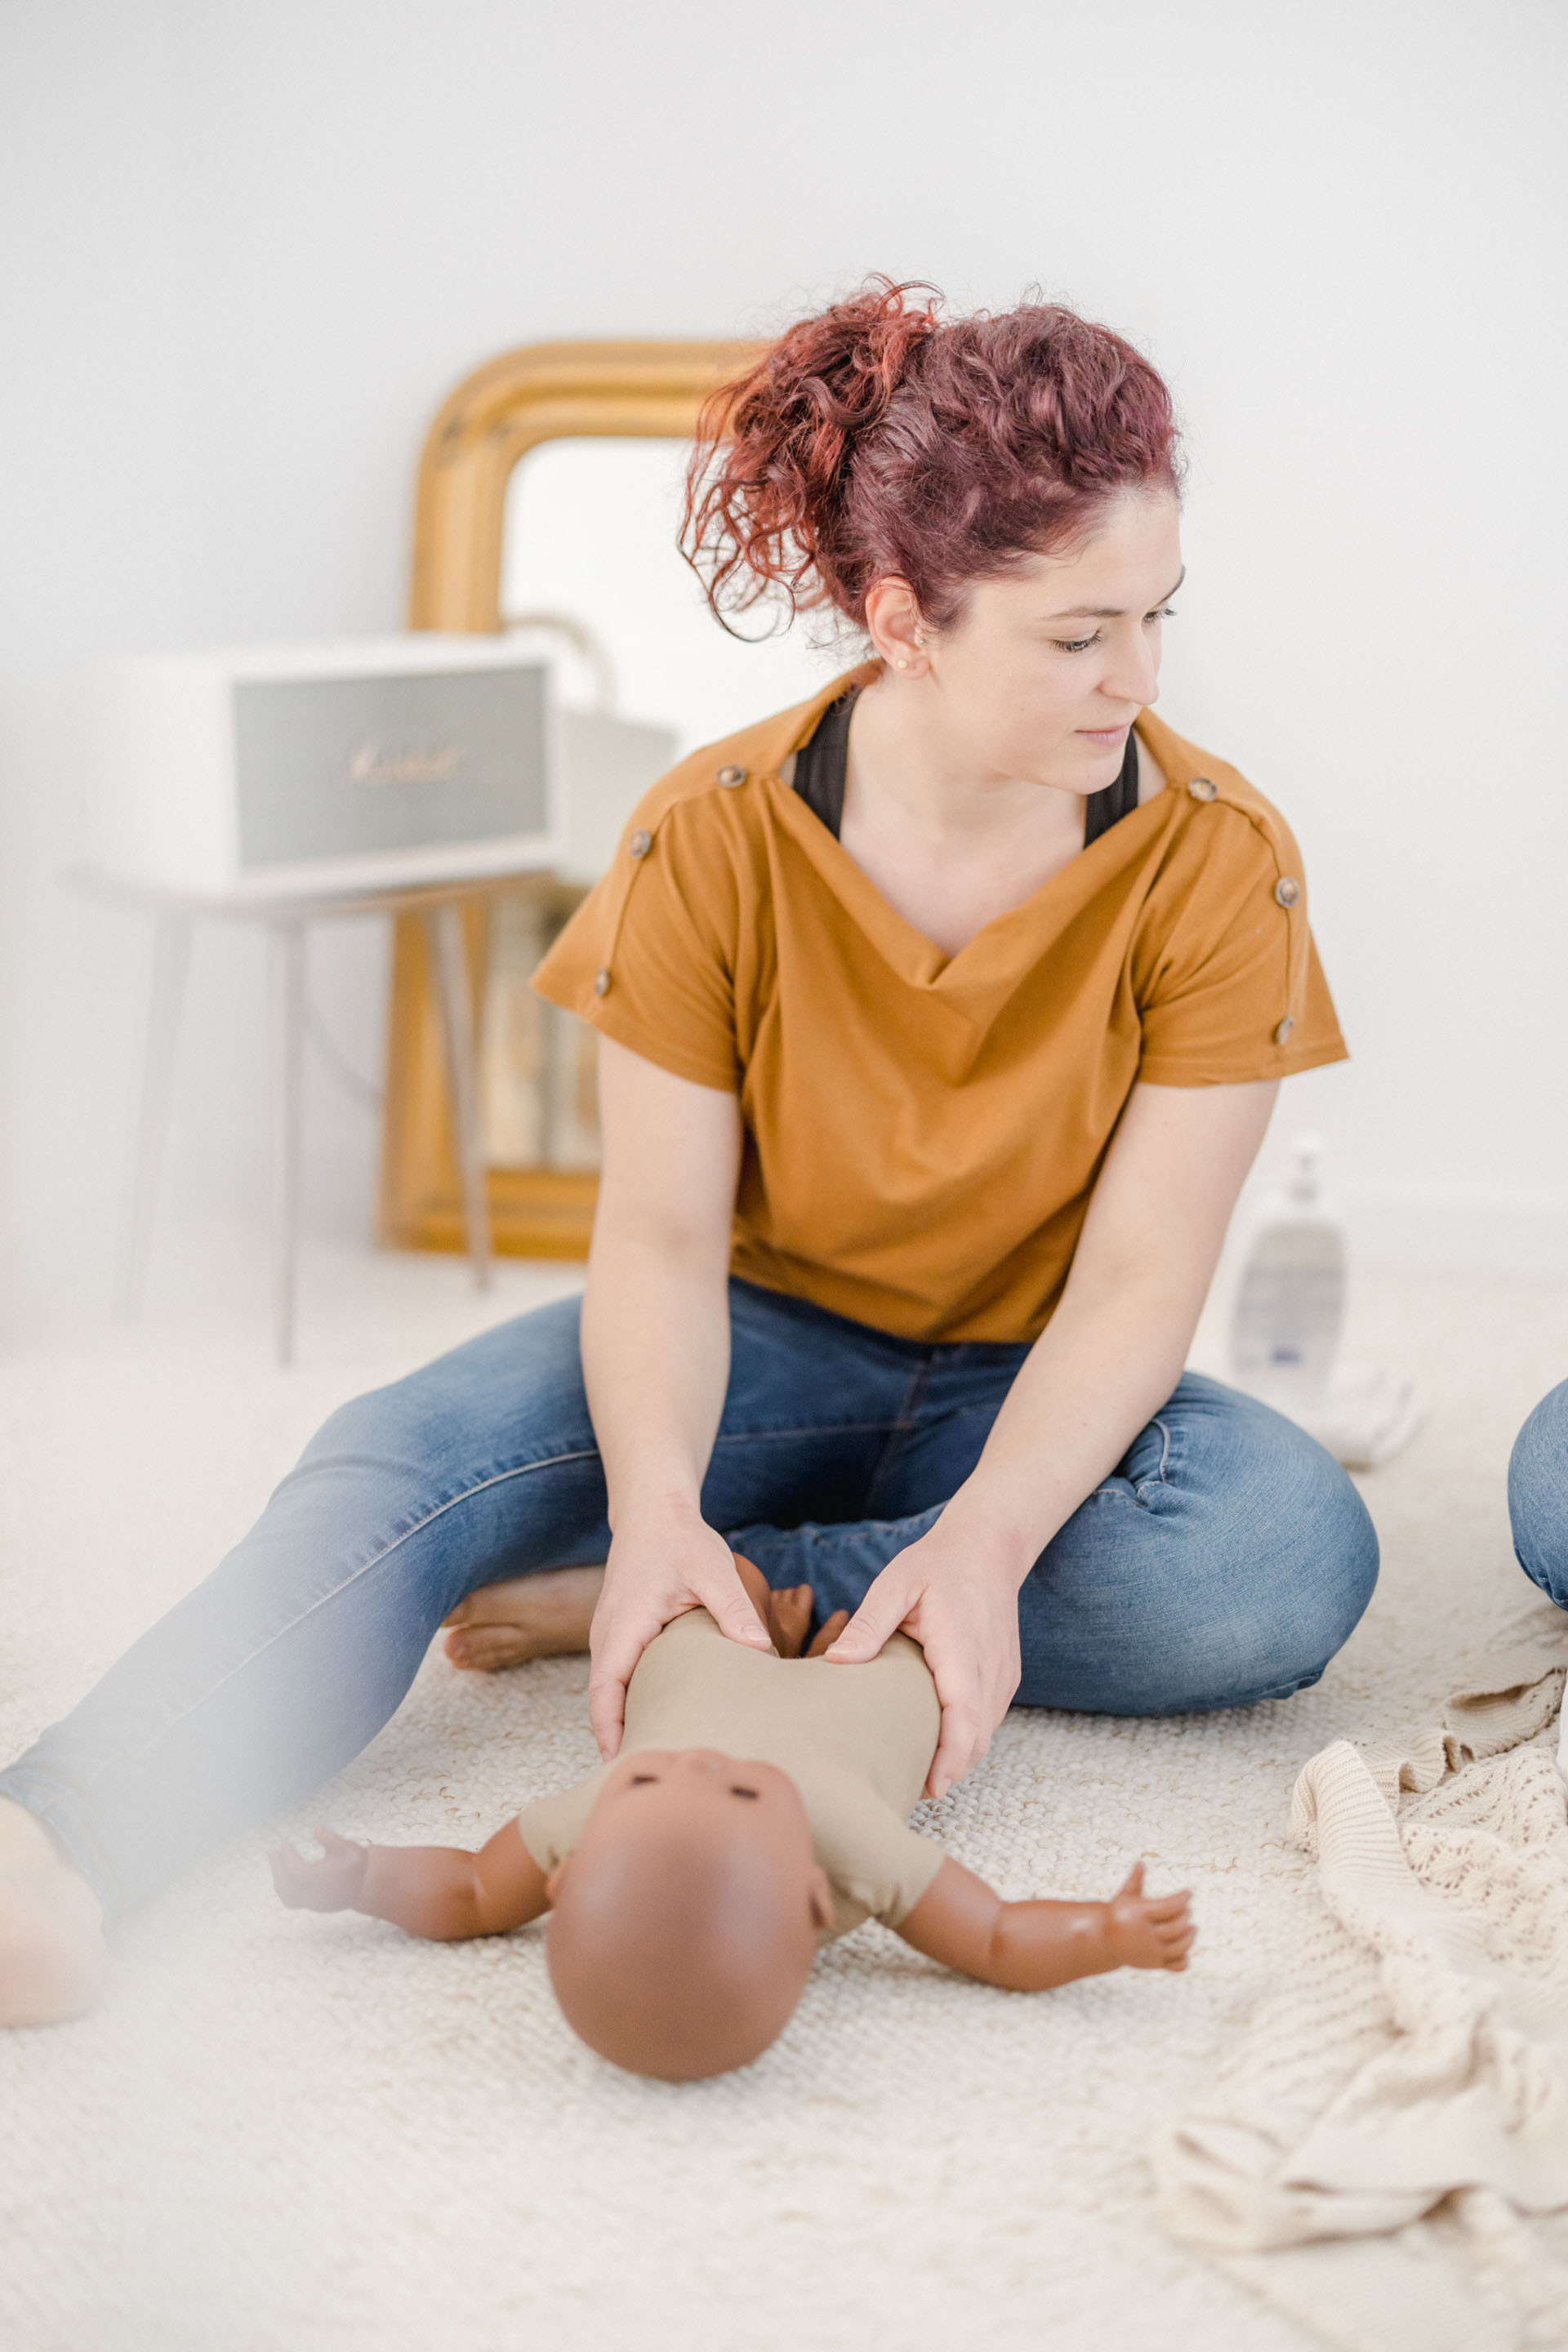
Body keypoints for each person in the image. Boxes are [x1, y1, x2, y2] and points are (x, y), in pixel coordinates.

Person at [0, 277, 1378, 2029]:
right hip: (761, 1344)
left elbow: (1141, 1283)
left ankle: (715, 1602)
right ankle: (57, 1836)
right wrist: (659, 1496)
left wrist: (985, 1548)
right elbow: (653, 1239)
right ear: (905, 619)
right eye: (1078, 632)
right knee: (395, 1461)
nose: (1141, 678)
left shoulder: (1217, 861)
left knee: (1279, 1556)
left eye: (1158, 615)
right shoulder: (708, 840)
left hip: (1030, 1378)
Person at [271, 1557, 1194, 2080]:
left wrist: (365, 1879)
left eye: (654, 1780)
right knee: (929, 1631)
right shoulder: (855, 1847)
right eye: (745, 1794)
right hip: (865, 1691)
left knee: (722, 1574)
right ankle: (836, 1634)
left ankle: (699, 1606)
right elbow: (994, 1938)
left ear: (563, 1877)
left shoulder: (590, 1821)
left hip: (704, 1665)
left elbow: (472, 1889)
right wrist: (1104, 1933)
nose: (706, 1765)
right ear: (808, 1896)